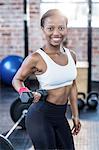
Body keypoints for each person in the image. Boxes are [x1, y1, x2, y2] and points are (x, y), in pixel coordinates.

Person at [12, 9, 81, 150]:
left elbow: (72, 85)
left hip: (60, 115)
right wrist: (24, 91)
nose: (56, 33)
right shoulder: (35, 58)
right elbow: (17, 79)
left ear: (66, 29)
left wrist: (75, 114)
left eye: (61, 28)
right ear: (43, 29)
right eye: (50, 28)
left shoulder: (71, 55)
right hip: (40, 116)